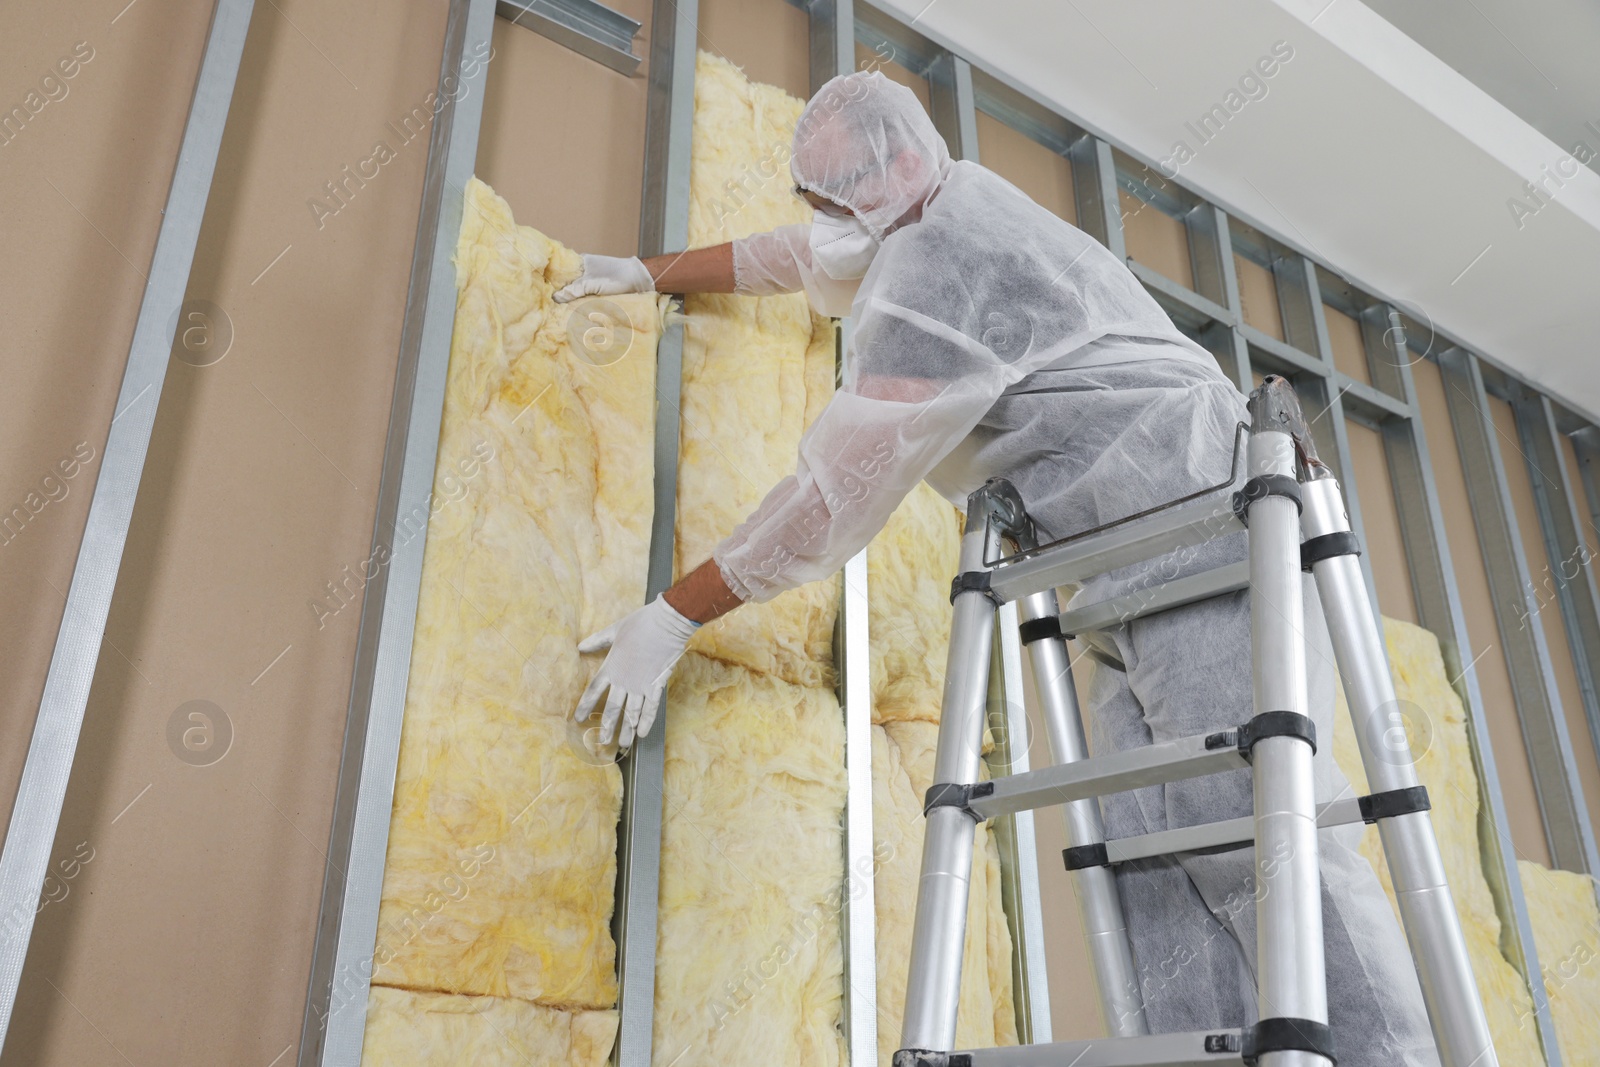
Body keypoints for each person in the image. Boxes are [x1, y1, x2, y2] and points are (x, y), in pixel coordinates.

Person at [556, 70, 1439, 1066]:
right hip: (1117, 567)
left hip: (1206, 523)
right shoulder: (946, 198)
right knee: (1145, 849)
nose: (824, 222)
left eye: (834, 197)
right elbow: (797, 255)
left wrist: (673, 614)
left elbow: (832, 494)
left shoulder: (939, 267)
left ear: (890, 172)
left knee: (1248, 829)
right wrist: (644, 271)